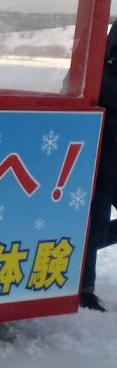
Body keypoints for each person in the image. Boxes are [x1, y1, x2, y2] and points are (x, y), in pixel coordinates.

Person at [82, 21, 117, 311]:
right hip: (101, 164)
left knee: (95, 228)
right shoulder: (95, 72)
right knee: (94, 225)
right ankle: (84, 288)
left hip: (110, 163)